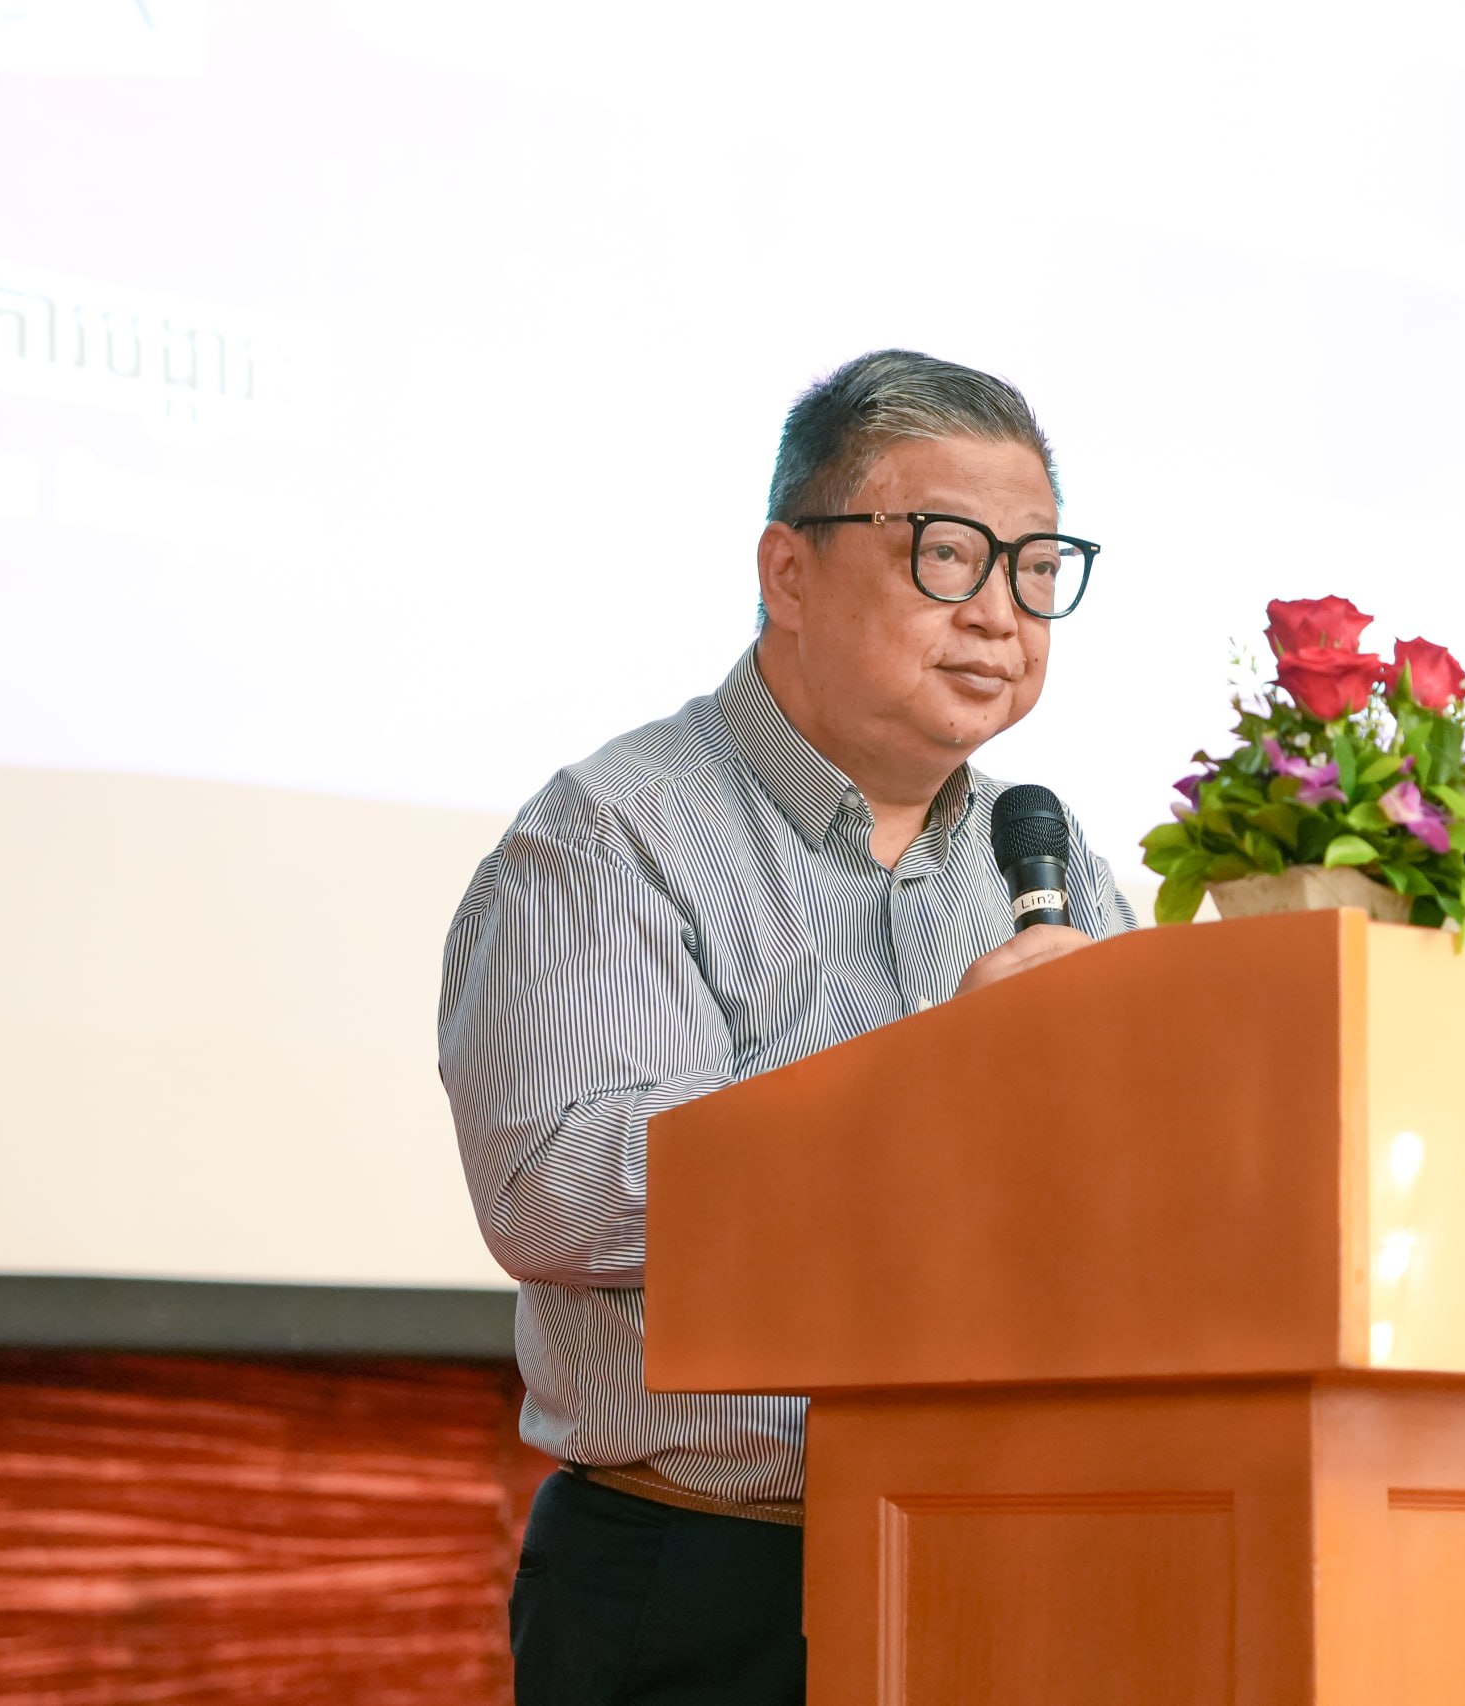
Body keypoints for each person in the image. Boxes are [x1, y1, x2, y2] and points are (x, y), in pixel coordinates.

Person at [438, 350, 1139, 1705]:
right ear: (789, 571)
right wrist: (932, 1085)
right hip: (709, 1583)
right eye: (950, 553)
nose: (1000, 613)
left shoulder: (1042, 862)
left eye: (1037, 566)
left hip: (1006, 1559)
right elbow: (558, 1194)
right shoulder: (614, 834)